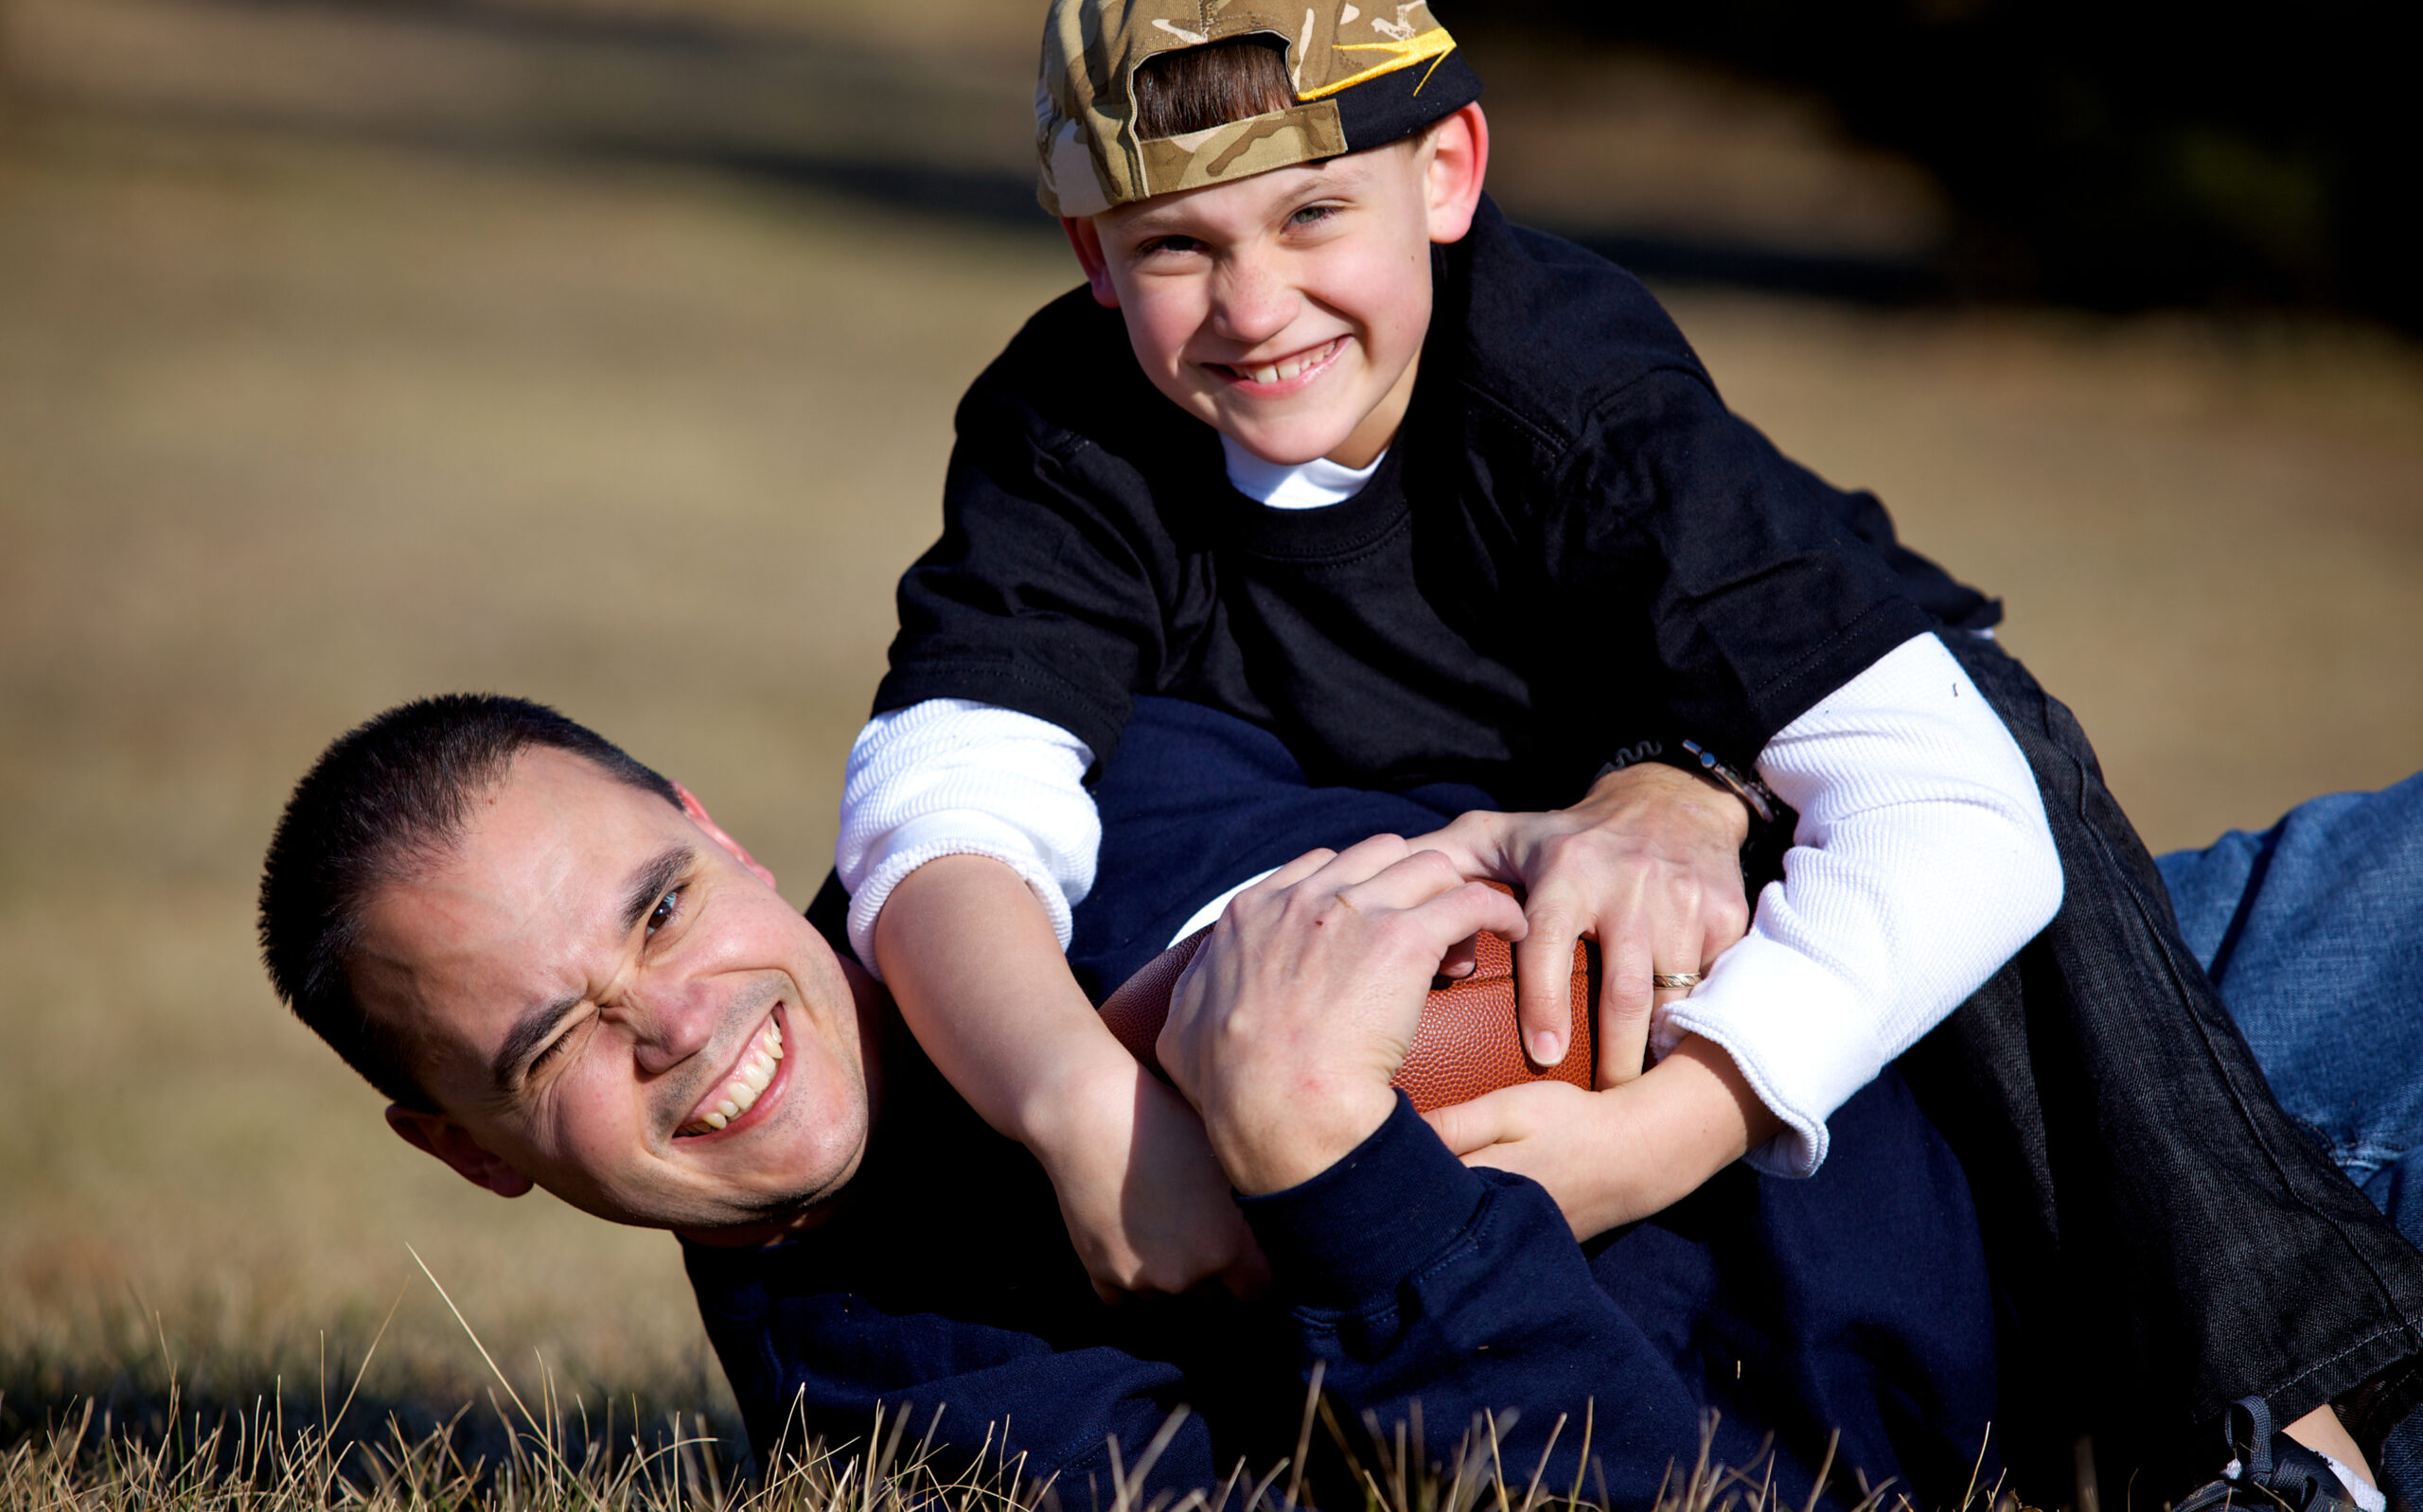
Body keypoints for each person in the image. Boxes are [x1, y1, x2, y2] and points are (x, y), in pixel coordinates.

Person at [822, 0, 2423, 1497]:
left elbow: (1952, 801)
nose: (1253, 307)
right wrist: (1082, 1109)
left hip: (1806, 764)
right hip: (1519, 905)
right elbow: (937, 799)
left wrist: (1670, 1127)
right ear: (1095, 256)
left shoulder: (1559, 388)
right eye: (1179, 244)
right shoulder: (1074, 434)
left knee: (2004, 765)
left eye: (1315, 215)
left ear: (1446, 172)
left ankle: (2272, 1428)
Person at [256, 695, 2009, 1510]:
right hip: (2066, 1330)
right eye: (552, 1043)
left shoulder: (1046, 799)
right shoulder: (914, 1416)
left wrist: (1664, 786)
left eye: (659, 908)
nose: (680, 1025)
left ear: (717, 832)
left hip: (2068, 1003)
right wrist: (1327, 1160)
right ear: (468, 1155)